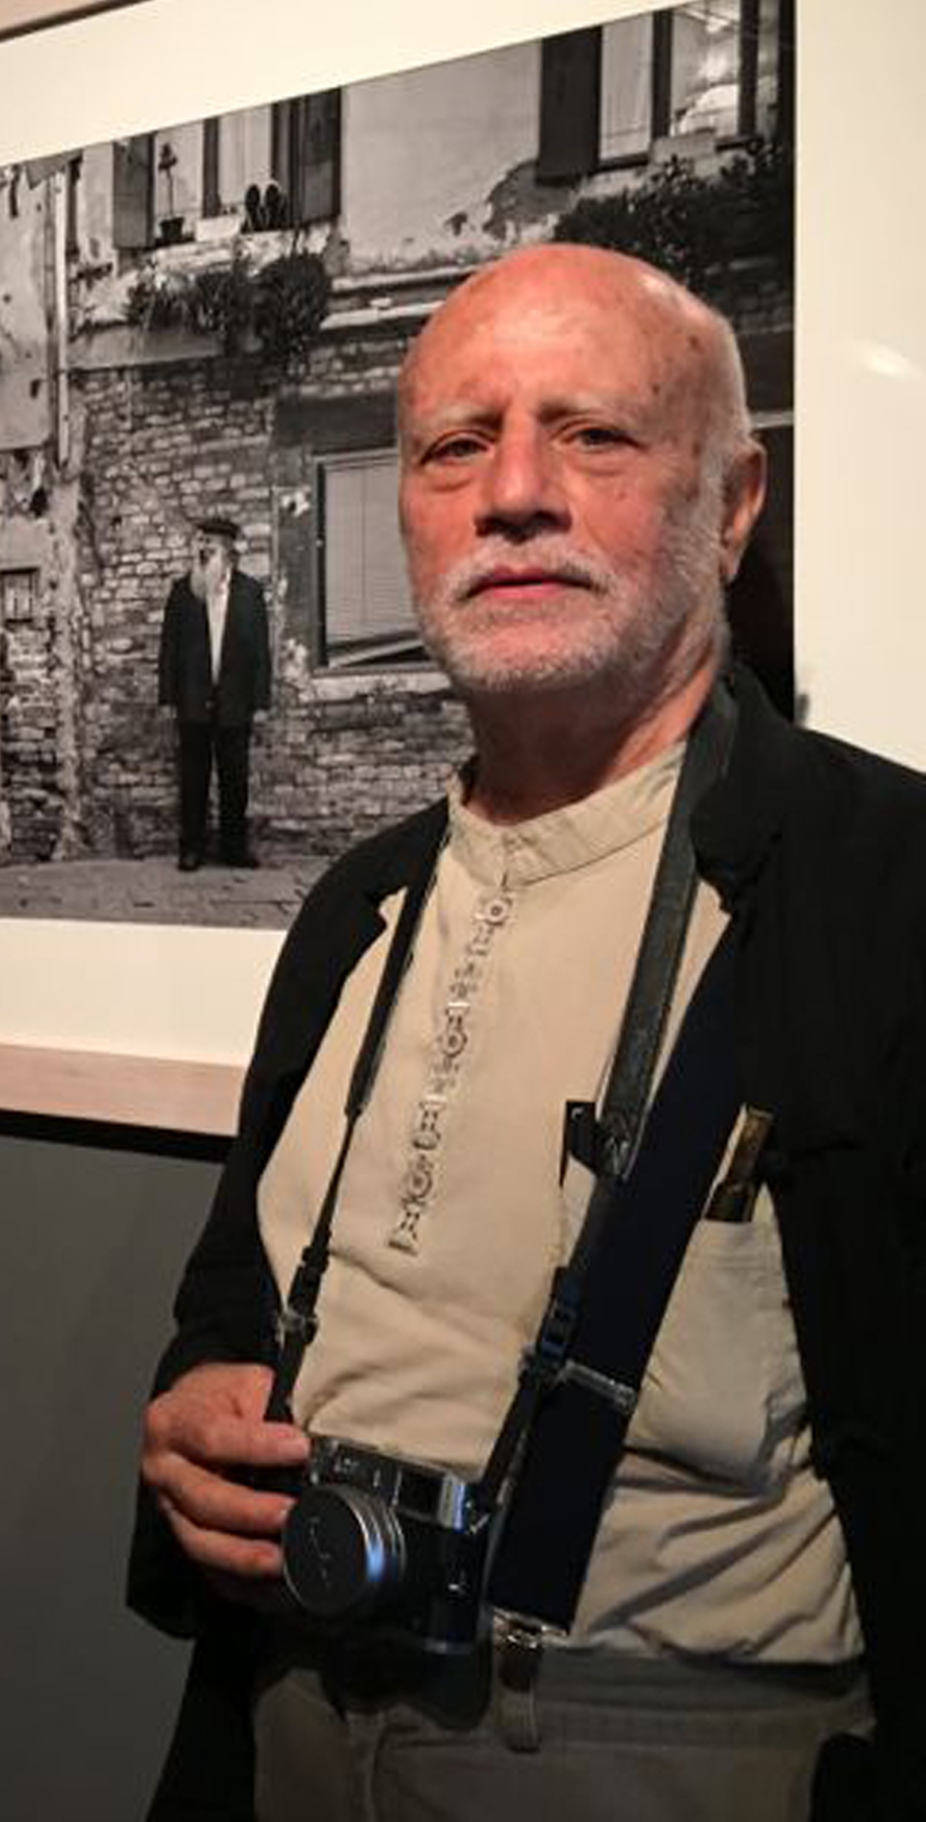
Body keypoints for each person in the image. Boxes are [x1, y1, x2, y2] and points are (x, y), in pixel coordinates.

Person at [130, 244, 926, 1820]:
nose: (512, 494)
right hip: (283, 1715)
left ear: (735, 503)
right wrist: (199, 1403)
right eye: (453, 446)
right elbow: (234, 1294)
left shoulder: (888, 891)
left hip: (681, 1757)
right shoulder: (358, 905)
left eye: (594, 435)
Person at [158, 517, 272, 870]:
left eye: (210, 543)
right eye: (200, 542)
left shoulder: (250, 593)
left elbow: (260, 653)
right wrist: (167, 698)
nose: (203, 548)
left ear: (229, 550)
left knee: (235, 779)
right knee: (193, 778)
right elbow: (169, 648)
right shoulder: (182, 591)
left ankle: (233, 848)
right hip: (193, 700)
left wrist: (261, 700)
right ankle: (191, 848)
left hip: (235, 701)